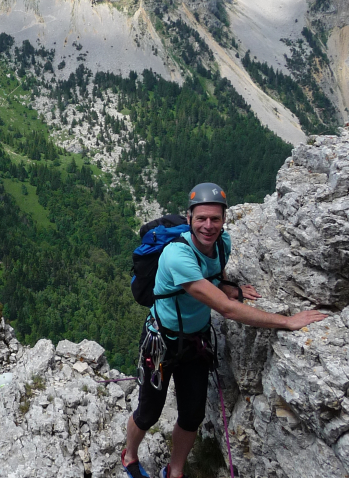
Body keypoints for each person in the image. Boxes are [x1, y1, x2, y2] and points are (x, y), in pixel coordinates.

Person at [121, 182, 328, 478]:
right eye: (201, 218)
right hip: (161, 343)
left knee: (192, 415)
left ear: (224, 220)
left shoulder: (222, 243)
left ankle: (176, 471)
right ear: (189, 218)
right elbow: (227, 310)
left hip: (195, 343)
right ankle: (129, 456)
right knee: (148, 412)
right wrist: (286, 321)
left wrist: (227, 286)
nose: (208, 226)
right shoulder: (176, 255)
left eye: (215, 219)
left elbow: (215, 274)